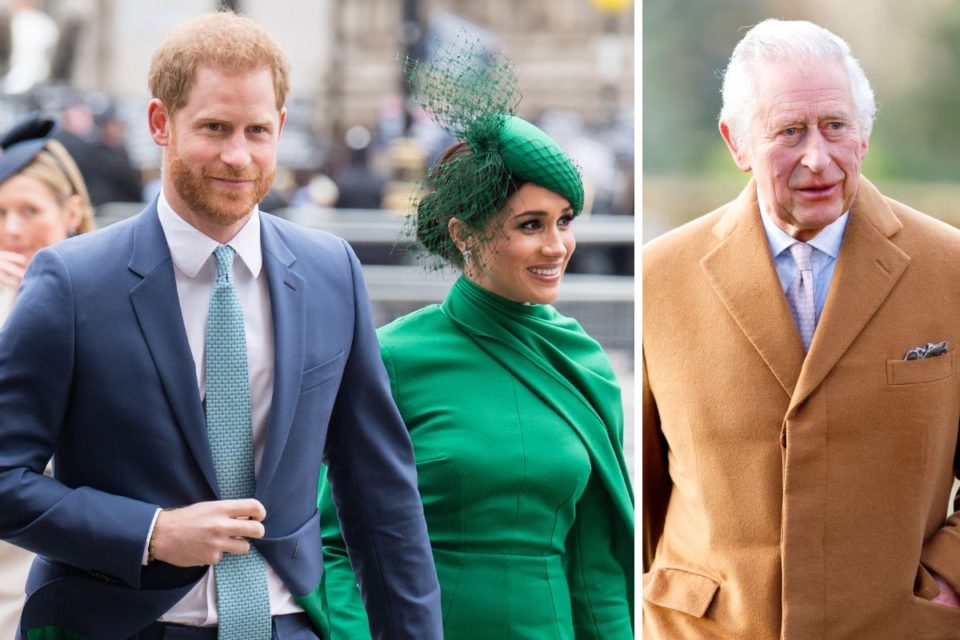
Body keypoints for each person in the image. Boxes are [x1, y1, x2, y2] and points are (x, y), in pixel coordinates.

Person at [0, 11, 441, 640]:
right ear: (161, 123)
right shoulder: (72, 282)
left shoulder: (330, 272)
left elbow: (380, 491)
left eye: (257, 130)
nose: (238, 155)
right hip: (117, 624)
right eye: (214, 127)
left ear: (281, 128)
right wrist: (152, 533)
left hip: (285, 624)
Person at [643, 18, 960, 640]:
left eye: (835, 127)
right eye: (789, 131)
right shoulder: (657, 277)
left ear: (864, 137)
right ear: (736, 143)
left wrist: (947, 578)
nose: (818, 157)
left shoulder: (951, 268)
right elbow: (644, 493)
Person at [317, 41, 634, 639]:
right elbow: (332, 547)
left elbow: (598, 572)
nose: (557, 246)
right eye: (530, 225)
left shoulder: (584, 361)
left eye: (564, 221)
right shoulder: (390, 358)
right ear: (464, 233)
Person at [0, 113, 95, 640]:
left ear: (72, 211)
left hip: (62, 561)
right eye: (0, 211)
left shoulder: (104, 298)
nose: (12, 229)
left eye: (29, 211)